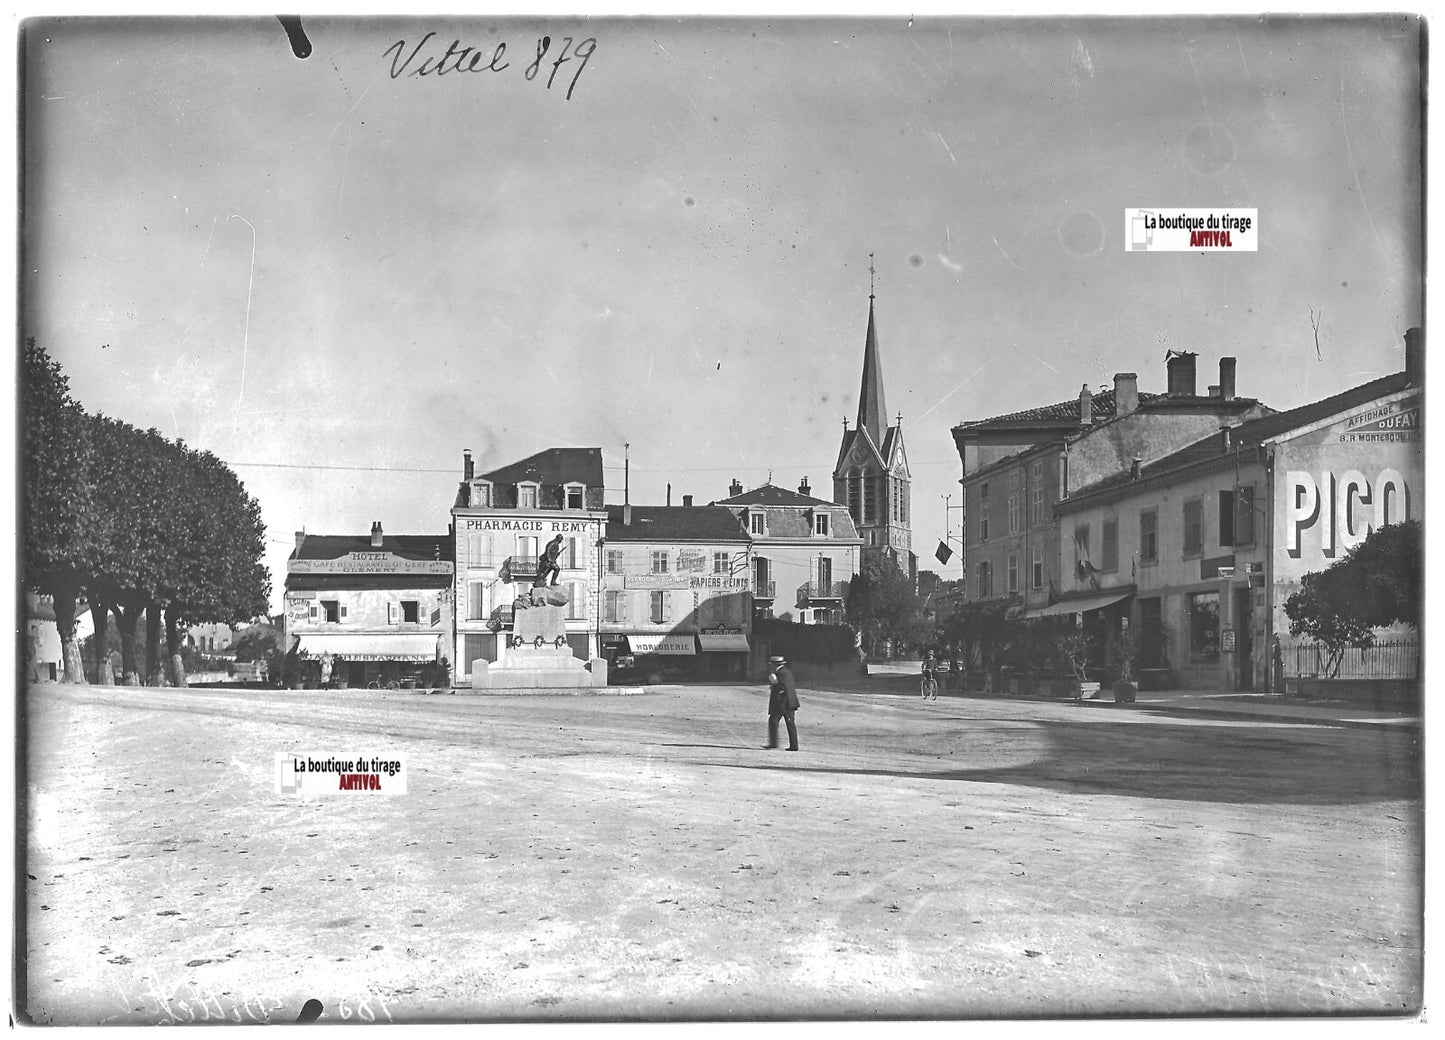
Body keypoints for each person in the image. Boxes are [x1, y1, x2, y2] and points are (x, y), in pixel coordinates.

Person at [765, 654, 800, 751]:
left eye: (772, 665)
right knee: (784, 723)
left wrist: (774, 683)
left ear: (775, 665)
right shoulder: (785, 671)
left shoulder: (781, 673)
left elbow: (782, 688)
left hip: (784, 703)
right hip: (786, 703)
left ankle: (790, 745)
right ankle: (791, 745)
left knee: (777, 722)